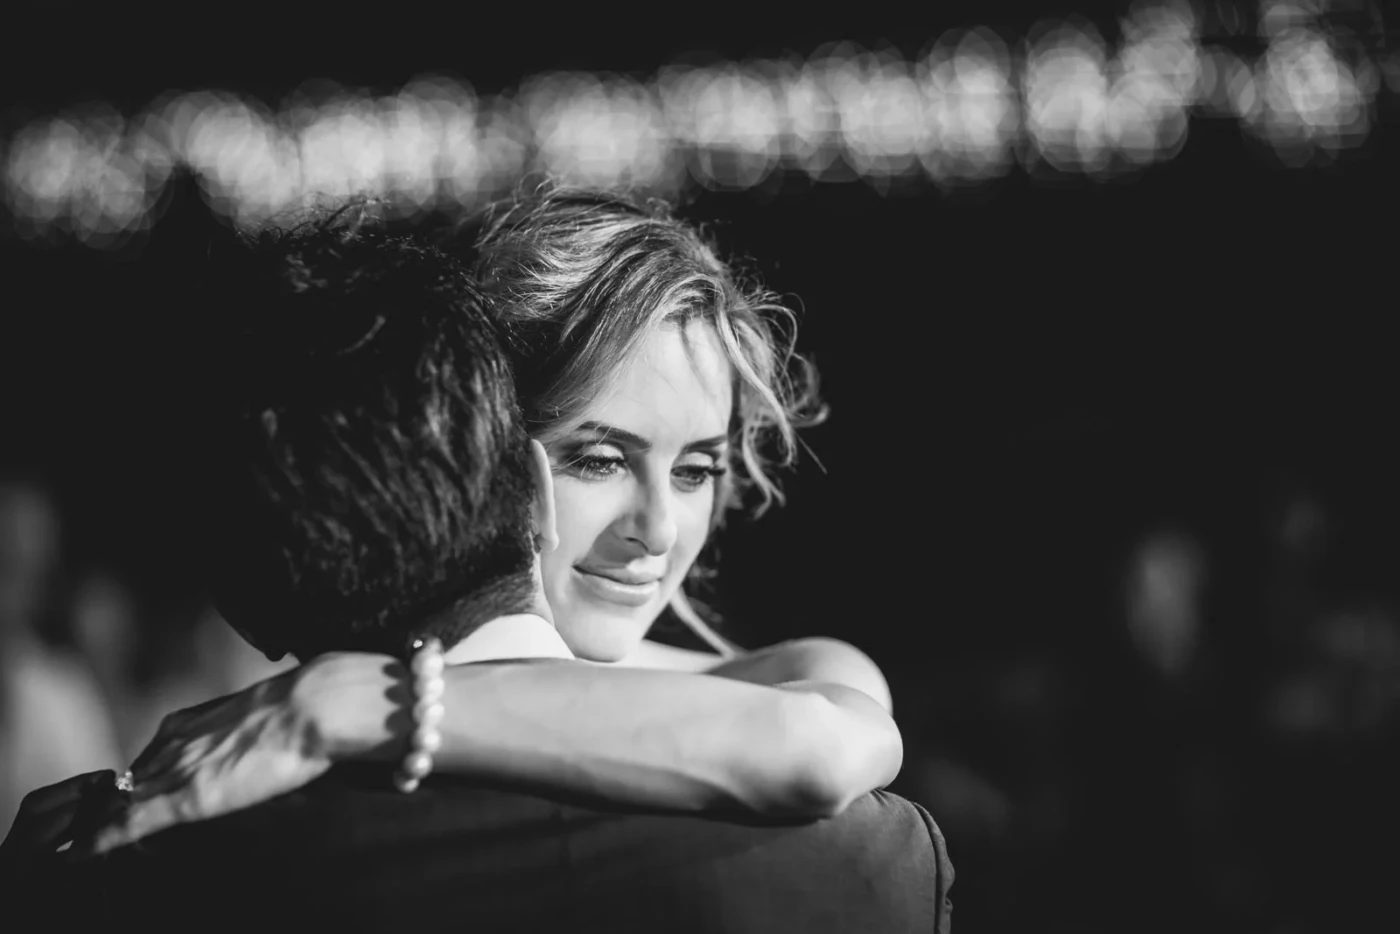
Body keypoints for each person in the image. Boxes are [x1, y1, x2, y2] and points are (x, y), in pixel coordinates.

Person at [20, 215, 952, 932]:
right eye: (600, 459)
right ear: (505, 467)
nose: (658, 530)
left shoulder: (796, 677)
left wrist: (353, 703)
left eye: (696, 470)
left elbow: (820, 747)